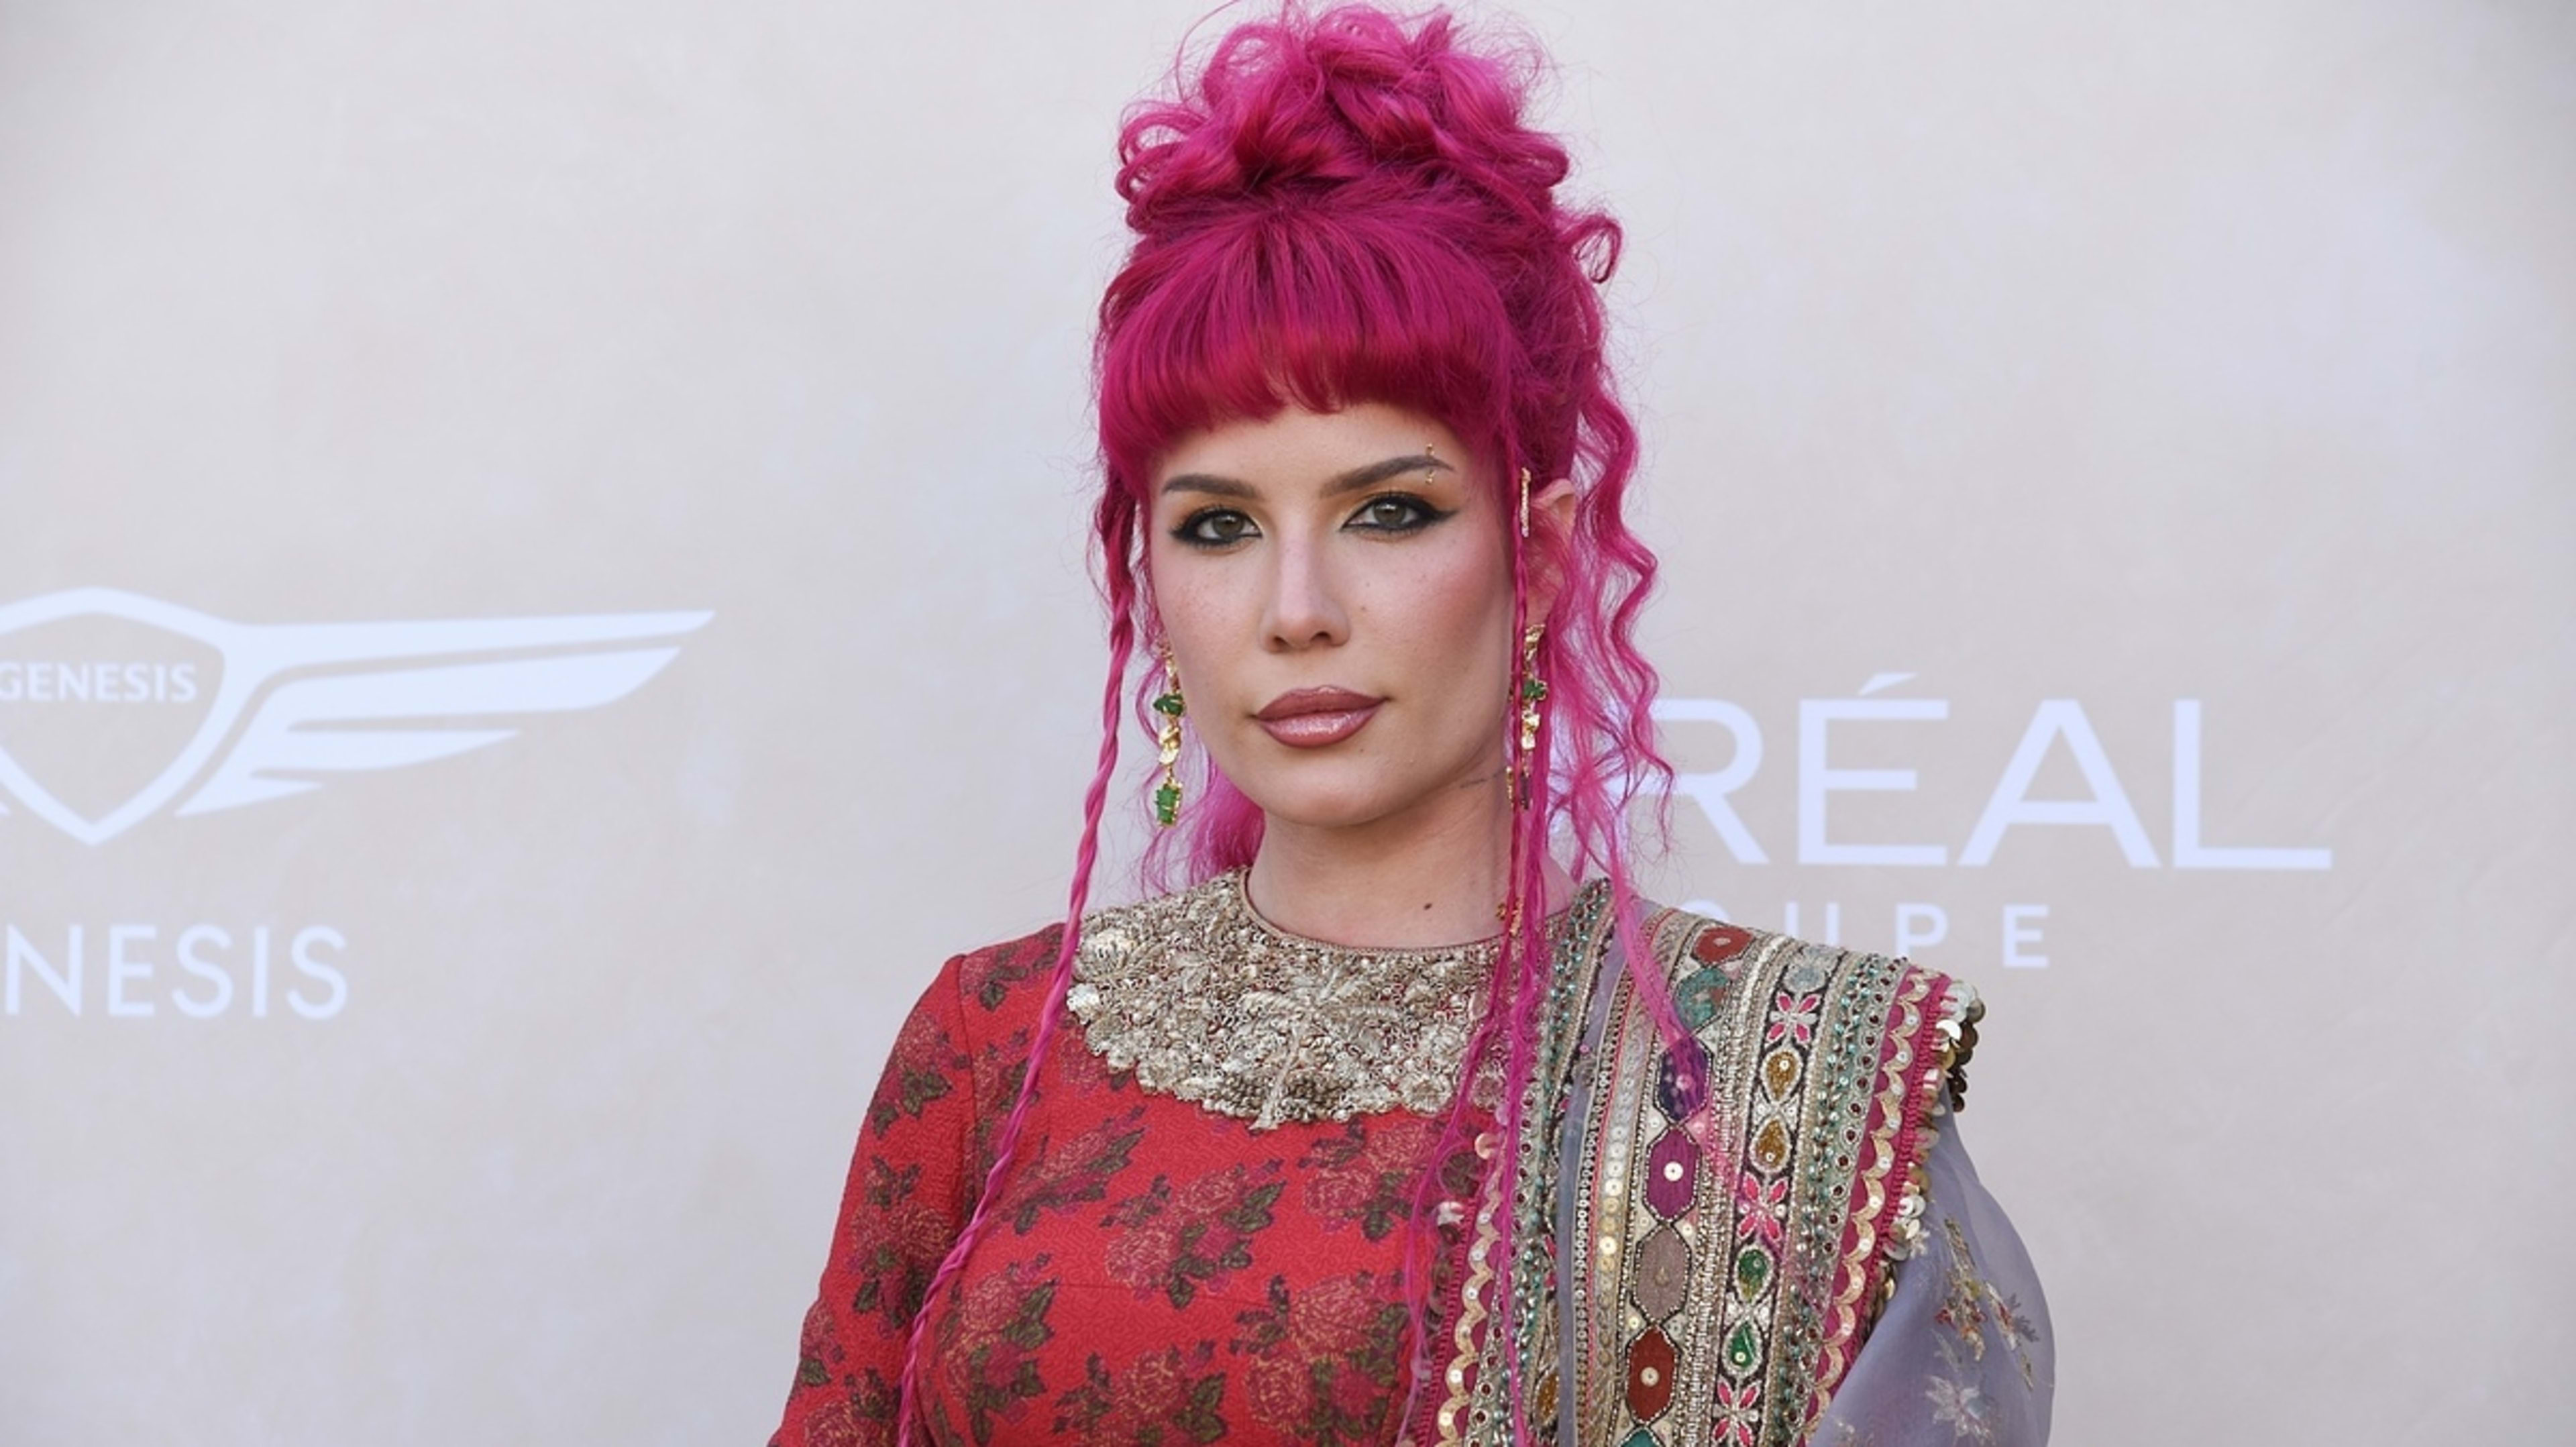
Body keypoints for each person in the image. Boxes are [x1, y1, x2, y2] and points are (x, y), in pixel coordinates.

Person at [771, 6, 2051, 1444]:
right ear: (1151, 577)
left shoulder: (1790, 1100)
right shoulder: (991, 1047)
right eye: (1217, 525)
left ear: (1543, 554)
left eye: (1391, 509)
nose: (1296, 605)